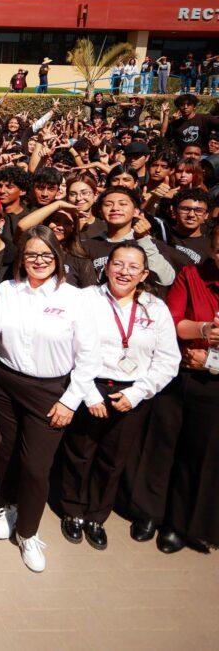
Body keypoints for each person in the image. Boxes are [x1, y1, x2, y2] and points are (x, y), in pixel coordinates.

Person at [0, 226, 101, 572]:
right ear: (22, 258)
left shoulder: (76, 298)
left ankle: (29, 533)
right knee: (4, 452)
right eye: (31, 254)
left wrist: (70, 400)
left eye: (46, 255)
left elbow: (89, 355)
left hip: (50, 391)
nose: (38, 261)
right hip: (3, 383)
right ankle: (11, 506)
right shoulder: (6, 289)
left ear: (58, 259)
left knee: (35, 466)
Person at [57, 243, 179, 550]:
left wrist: (137, 394)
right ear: (106, 267)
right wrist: (88, 394)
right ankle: (72, 510)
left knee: (112, 460)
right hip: (89, 385)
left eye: (132, 267)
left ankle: (97, 516)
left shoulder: (155, 307)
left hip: (132, 393)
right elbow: (67, 348)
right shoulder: (85, 299)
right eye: (118, 264)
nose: (124, 272)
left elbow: (168, 361)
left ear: (144, 274)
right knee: (79, 453)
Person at [130, 223, 219, 553]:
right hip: (180, 375)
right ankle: (148, 512)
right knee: (160, 446)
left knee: (199, 456)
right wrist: (204, 329)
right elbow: (173, 320)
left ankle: (179, 522)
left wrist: (210, 359)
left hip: (214, 385)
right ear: (211, 243)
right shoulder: (192, 275)